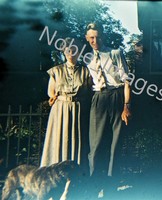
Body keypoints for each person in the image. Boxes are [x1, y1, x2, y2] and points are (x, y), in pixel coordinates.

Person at [85, 22, 131, 196]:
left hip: (117, 97)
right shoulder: (86, 58)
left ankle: (111, 189)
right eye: (91, 37)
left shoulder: (115, 53)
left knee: (115, 144)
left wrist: (127, 106)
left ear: (103, 36)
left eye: (97, 37)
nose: (95, 40)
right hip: (99, 98)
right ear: (87, 38)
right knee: (95, 145)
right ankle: (94, 186)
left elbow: (127, 81)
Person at [40, 38, 91, 175]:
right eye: (68, 49)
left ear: (79, 51)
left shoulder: (86, 71)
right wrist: (53, 98)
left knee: (76, 139)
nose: (71, 52)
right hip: (60, 109)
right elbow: (51, 92)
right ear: (63, 51)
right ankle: (54, 172)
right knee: (59, 138)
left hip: (78, 109)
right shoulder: (56, 71)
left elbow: (89, 92)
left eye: (74, 49)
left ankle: (77, 173)